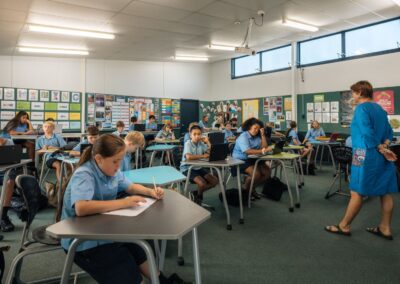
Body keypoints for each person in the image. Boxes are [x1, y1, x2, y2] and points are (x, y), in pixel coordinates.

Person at [61, 134, 187, 284]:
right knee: (130, 273)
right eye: (115, 161)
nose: (118, 166)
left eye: (120, 160)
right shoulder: (84, 174)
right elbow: (81, 208)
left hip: (103, 230)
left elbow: (131, 186)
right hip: (83, 241)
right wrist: (124, 203)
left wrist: (151, 192)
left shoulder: (111, 170)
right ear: (99, 159)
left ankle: (161, 281)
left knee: (139, 251)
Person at [325, 81, 398, 240]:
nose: (352, 96)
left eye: (353, 93)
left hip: (362, 153)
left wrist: (380, 148)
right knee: (385, 193)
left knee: (356, 192)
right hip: (381, 154)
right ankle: (385, 228)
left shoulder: (361, 109)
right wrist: (385, 147)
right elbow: (389, 132)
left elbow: (366, 132)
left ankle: (344, 226)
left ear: (359, 92)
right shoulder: (380, 109)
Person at [232, 118, 272, 199]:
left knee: (267, 173)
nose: (256, 130)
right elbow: (247, 151)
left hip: (252, 159)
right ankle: (247, 192)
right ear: (249, 127)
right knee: (256, 174)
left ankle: (251, 188)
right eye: (255, 128)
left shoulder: (257, 136)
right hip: (240, 160)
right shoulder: (243, 136)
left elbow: (264, 147)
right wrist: (262, 151)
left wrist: (263, 135)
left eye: (258, 129)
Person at [180, 125, 218, 205]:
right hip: (188, 168)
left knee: (214, 181)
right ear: (190, 135)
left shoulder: (201, 143)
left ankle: (196, 193)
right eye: (194, 134)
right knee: (202, 183)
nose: (197, 136)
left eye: (199, 134)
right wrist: (203, 156)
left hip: (198, 167)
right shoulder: (188, 143)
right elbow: (188, 157)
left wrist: (207, 141)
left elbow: (211, 150)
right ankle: (199, 197)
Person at [0, 138, 18, 232]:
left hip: (4, 170)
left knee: (10, 180)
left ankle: (3, 215)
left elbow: (14, 159)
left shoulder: (8, 141)